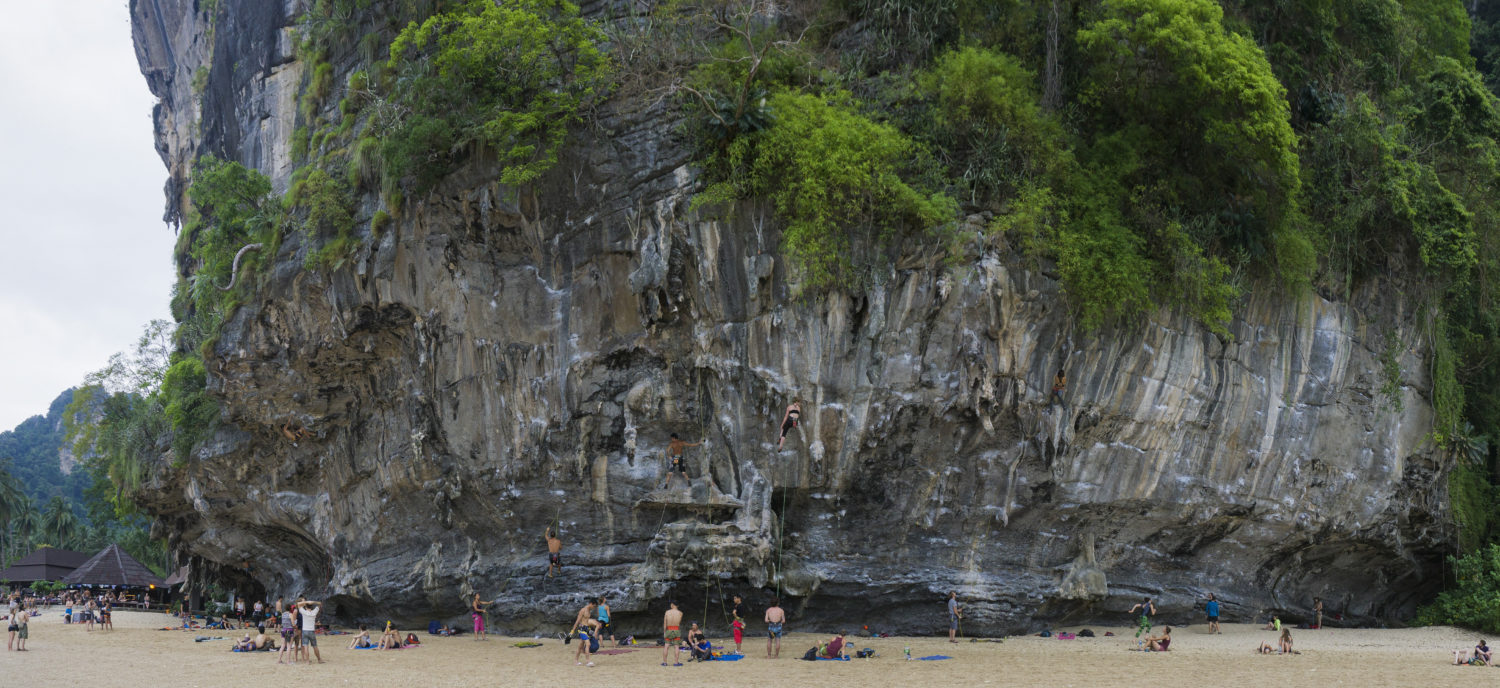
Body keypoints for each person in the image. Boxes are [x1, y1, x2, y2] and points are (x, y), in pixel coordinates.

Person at [296, 598, 324, 664]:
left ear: (305, 606)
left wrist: (306, 602)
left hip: (305, 631)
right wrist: (313, 602)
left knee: (306, 646)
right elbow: (320, 604)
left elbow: (298, 604)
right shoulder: (314, 612)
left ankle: (307, 661)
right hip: (312, 631)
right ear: (312, 606)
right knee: (315, 646)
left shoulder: (304, 612)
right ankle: (319, 659)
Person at [662, 600, 684, 666]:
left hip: (668, 629)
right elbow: (679, 623)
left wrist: (664, 632)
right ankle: (676, 663)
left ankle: (665, 662)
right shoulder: (680, 613)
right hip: (676, 629)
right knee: (676, 646)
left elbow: (665, 623)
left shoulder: (667, 612)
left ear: (672, 604)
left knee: (666, 646)